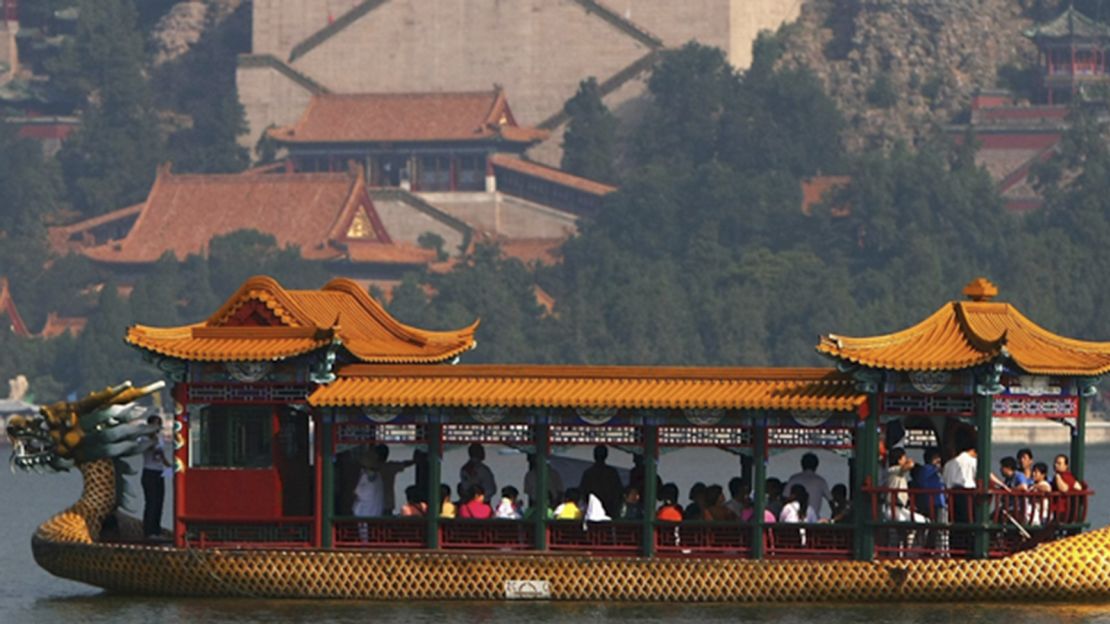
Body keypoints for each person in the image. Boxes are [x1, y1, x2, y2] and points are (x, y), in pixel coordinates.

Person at [141, 415, 172, 539]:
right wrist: (150, 436)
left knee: (159, 502)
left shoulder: (160, 439)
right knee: (151, 502)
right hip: (149, 472)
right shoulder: (143, 439)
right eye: (154, 424)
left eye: (158, 425)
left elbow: (162, 457)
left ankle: (157, 530)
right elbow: (149, 448)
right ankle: (149, 531)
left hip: (160, 472)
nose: (157, 427)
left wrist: (171, 468)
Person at [578, 445, 624, 518]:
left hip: (592, 511)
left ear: (594, 455)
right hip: (609, 510)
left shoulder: (588, 473)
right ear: (606, 455)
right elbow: (618, 492)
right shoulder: (612, 472)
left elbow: (583, 492)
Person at [371, 444, 415, 516]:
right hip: (387, 503)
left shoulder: (370, 468)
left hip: (372, 503)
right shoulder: (390, 467)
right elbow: (404, 464)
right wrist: (416, 460)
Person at [785, 452, 832, 518]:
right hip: (814, 520)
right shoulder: (821, 481)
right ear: (816, 465)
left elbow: (785, 497)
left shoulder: (794, 479)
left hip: (794, 518)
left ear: (802, 464)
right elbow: (831, 500)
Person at [942, 439, 977, 523]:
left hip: (951, 495)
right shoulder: (973, 461)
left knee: (955, 522)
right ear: (973, 451)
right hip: (968, 494)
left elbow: (945, 480)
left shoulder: (949, 464)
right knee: (968, 522)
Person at [910, 447, 946, 521]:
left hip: (935, 502)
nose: (939, 459)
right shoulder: (927, 469)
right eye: (936, 457)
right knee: (937, 525)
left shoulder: (933, 472)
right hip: (933, 502)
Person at [459, 444, 496, 509]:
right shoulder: (483, 470)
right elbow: (491, 489)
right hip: (484, 504)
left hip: (467, 504)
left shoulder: (464, 469)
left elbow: (464, 487)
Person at [1052, 454, 1084, 522]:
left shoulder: (1066, 476)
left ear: (1066, 466)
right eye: (1055, 462)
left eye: (1059, 463)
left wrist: (1057, 477)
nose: (1056, 465)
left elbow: (1064, 489)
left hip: (1063, 511)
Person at [1028, 462, 1053, 526]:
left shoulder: (1044, 483)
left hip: (1043, 514)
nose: (1033, 474)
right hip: (1034, 512)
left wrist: (1036, 487)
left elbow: (1047, 489)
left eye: (1036, 472)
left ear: (1043, 474)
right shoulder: (1031, 485)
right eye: (1033, 472)